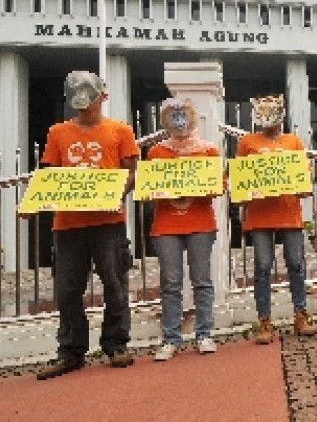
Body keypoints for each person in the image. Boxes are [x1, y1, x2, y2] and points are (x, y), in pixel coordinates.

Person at [35, 71, 139, 380]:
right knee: (67, 290)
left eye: (89, 103)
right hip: (68, 223)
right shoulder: (57, 133)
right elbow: (49, 177)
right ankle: (70, 351)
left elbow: (132, 171)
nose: (84, 110)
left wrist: (115, 194)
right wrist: (36, 203)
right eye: (79, 104)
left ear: (102, 98)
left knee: (115, 285)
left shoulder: (121, 132)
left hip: (109, 221)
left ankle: (116, 344)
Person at [237, 94, 316, 343]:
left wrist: (305, 185)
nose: (269, 119)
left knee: (296, 264)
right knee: (262, 267)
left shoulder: (294, 142)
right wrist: (241, 201)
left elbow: (304, 176)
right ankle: (264, 322)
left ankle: (301, 315)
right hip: (259, 216)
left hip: (289, 213)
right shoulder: (247, 142)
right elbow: (240, 179)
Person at [148, 97, 219, 361]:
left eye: (183, 115)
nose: (179, 122)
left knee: (202, 281)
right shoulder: (156, 152)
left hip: (200, 222)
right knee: (171, 283)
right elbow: (150, 190)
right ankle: (170, 338)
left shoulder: (208, 150)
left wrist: (205, 184)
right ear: (165, 120)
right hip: (166, 225)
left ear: (193, 117)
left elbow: (219, 186)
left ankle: (204, 334)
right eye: (173, 116)